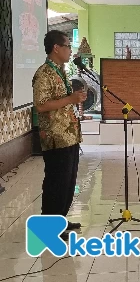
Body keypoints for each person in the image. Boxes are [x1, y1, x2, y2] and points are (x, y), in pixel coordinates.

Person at [33, 30, 87, 237]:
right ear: (56, 48)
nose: (70, 51)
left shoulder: (60, 70)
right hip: (55, 136)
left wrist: (76, 98)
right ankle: (48, 227)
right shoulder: (43, 73)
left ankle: (60, 220)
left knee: (69, 181)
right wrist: (70, 100)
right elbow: (40, 106)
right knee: (56, 181)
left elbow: (64, 99)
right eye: (67, 46)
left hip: (69, 134)